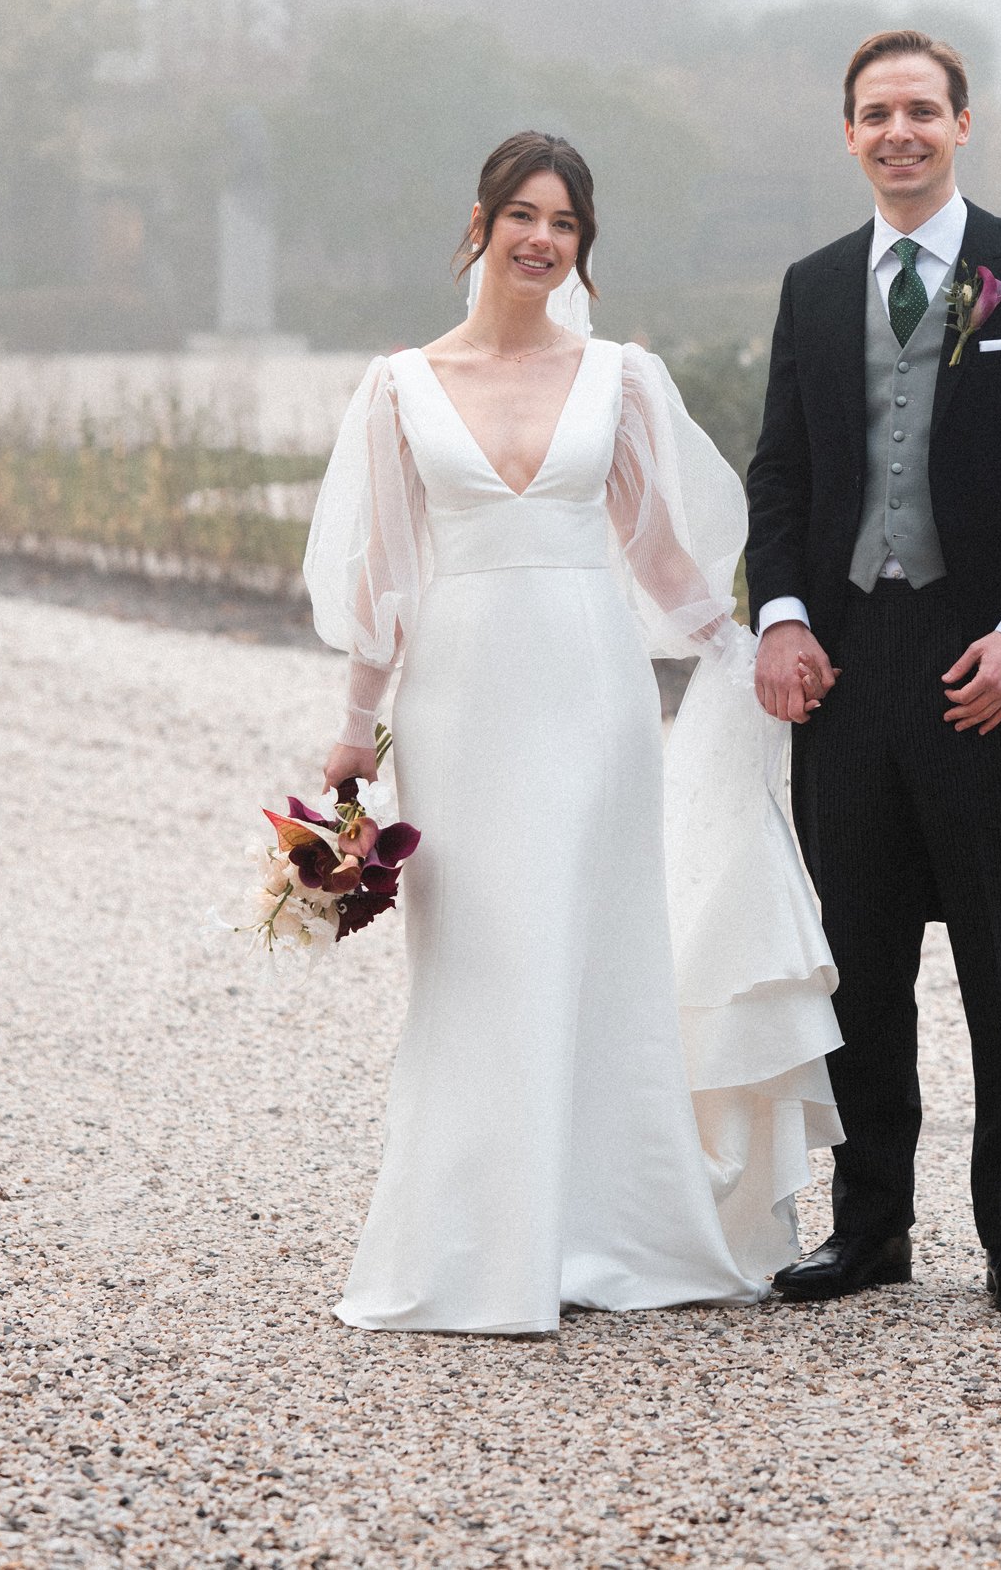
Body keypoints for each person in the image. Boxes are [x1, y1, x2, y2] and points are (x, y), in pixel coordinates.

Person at [306, 131, 839, 1336]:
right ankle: (474, 1240)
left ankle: (604, 1225)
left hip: (587, 693)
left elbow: (660, 556)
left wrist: (744, 642)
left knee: (591, 945)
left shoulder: (620, 376)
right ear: (482, 222)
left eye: (565, 223)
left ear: (581, 244)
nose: (541, 238)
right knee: (476, 957)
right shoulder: (401, 383)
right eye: (522, 215)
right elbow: (385, 575)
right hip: (457, 697)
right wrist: (351, 730)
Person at [746, 31, 1001, 1320]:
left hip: (987, 669)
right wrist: (782, 617)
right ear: (847, 134)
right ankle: (870, 1230)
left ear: (963, 125)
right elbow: (780, 473)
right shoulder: (809, 286)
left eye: (919, 110)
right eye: (872, 113)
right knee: (855, 964)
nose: (896, 130)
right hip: (848, 667)